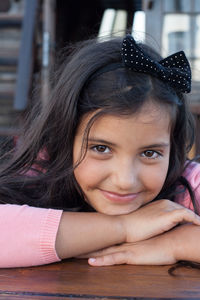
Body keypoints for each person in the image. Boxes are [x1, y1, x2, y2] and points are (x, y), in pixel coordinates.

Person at [0, 34, 200, 268]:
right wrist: (124, 227)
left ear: (173, 148)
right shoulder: (41, 175)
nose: (125, 181)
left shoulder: (186, 185)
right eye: (101, 148)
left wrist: (176, 244)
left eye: (150, 153)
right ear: (65, 138)